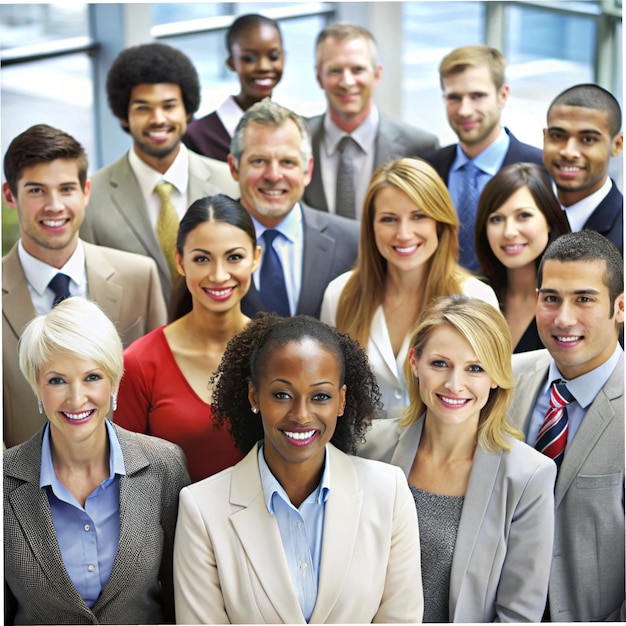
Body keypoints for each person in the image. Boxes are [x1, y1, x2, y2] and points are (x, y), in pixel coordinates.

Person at [173, 314, 423, 624]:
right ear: (255, 396)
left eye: (320, 396)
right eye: (281, 395)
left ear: (341, 401)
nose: (301, 415)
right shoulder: (202, 508)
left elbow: (401, 617)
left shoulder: (389, 491)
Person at [359, 295, 556, 622]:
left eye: (475, 368)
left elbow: (518, 615)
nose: (454, 385)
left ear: (496, 376)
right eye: (440, 363)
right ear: (414, 362)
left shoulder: (528, 477)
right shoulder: (367, 447)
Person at [4, 297, 190, 624]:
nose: (77, 399)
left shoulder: (164, 466)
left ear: (115, 381)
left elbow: (181, 599)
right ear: (36, 386)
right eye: (57, 380)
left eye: (92, 377)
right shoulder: (5, 482)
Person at [2, 123, 167, 449]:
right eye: (36, 190)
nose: (54, 206)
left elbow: (158, 395)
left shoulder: (139, 276)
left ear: (86, 191)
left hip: (131, 483)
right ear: (10, 195)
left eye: (66, 189)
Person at [321, 158, 498, 420]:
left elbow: (491, 402)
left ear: (440, 222)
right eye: (389, 219)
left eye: (418, 216)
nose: (404, 233)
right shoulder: (339, 293)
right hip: (358, 455)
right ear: (371, 227)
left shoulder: (476, 297)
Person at [509, 230, 624, 622]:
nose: (563, 318)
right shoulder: (503, 380)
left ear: (620, 307)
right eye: (551, 298)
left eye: (584, 299)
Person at [115, 195, 261, 482]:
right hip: (174, 525)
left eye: (234, 257)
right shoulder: (140, 363)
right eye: (202, 259)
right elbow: (125, 479)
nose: (219, 275)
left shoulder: (278, 350)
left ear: (255, 258)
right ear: (180, 261)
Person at [81, 42, 240, 304]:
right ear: (124, 116)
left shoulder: (230, 183)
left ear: (187, 111)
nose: (158, 119)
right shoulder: (92, 197)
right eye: (143, 108)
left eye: (169, 106)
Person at [228, 98, 359, 319]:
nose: (273, 175)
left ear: (307, 170)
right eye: (259, 161)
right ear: (234, 167)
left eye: (287, 162)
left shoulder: (353, 242)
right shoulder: (206, 242)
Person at [422, 45, 543, 272]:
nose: (465, 110)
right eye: (454, 98)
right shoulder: (428, 168)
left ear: (502, 95)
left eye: (477, 96)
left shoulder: (541, 169)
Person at [303, 22, 439, 218]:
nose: (347, 82)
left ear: (377, 74)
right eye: (335, 71)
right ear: (318, 77)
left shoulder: (420, 148)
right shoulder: (297, 139)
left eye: (358, 69)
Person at [475, 162, 570, 352]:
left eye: (523, 216)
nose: (509, 232)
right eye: (497, 219)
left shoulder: (572, 299)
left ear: (549, 220)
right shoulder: (473, 294)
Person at [184, 14, 285, 162]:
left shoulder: (292, 128)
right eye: (249, 58)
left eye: (274, 56)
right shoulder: (198, 136)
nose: (264, 67)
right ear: (231, 62)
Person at [542, 83, 623, 255]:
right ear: (545, 138)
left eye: (587, 139)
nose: (569, 152)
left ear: (617, 145)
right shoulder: (524, 218)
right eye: (557, 136)